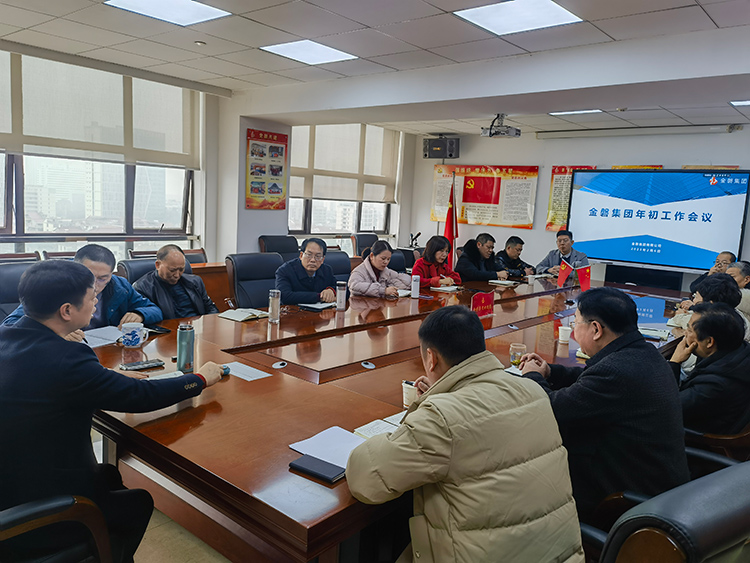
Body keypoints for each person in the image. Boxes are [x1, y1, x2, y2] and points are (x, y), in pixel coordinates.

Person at [0, 260, 223, 563]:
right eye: (92, 298)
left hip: (11, 479)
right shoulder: (67, 357)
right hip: (36, 510)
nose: (96, 304)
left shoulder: (7, 337)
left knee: (110, 477)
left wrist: (103, 379)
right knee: (137, 501)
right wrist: (199, 379)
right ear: (66, 310)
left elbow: (49, 384)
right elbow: (140, 396)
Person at [347, 306, 584, 563]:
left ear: (431, 358)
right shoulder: (534, 391)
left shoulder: (441, 418)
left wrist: (425, 408)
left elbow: (366, 479)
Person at [519, 287, 689, 521]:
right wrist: (550, 372)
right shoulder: (642, 353)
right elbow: (590, 380)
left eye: (576, 323)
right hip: (657, 484)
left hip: (625, 499)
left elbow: (551, 410)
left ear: (596, 329)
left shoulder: (616, 371)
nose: (573, 330)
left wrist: (531, 377)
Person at [2, 244, 162, 342]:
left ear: (111, 275)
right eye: (89, 276)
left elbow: (154, 310)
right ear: (75, 268)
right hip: (65, 353)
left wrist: (139, 314)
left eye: (103, 278)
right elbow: (10, 326)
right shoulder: (56, 286)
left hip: (107, 350)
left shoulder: (119, 286)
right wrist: (56, 333)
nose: (94, 284)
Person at [669, 302, 750, 435]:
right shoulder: (739, 350)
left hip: (697, 439)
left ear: (709, 342)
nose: (685, 333)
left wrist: (674, 362)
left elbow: (665, 408)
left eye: (689, 330)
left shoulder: (714, 385)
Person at [133, 244, 218, 319]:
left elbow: (211, 308)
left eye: (181, 269)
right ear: (158, 265)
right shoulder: (142, 288)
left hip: (196, 326)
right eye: (172, 270)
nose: (177, 275)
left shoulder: (195, 282)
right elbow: (148, 317)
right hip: (168, 330)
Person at [275, 237, 339, 305]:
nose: (313, 260)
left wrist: (332, 290)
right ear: (301, 255)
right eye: (309, 255)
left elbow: (342, 288)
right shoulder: (285, 270)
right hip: (293, 310)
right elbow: (284, 296)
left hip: (322, 311)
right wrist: (319, 296)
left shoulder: (326, 270)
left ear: (322, 259)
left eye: (318, 256)